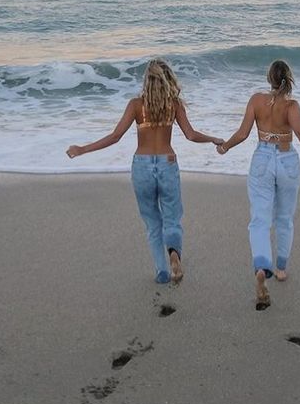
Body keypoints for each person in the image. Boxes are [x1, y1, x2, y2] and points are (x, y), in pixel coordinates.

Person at [67, 58, 222, 284]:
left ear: (146, 81)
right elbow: (191, 134)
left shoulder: (136, 105)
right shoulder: (174, 104)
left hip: (141, 165)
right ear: (168, 79)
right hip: (168, 162)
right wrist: (214, 139)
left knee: (152, 221)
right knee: (172, 218)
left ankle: (161, 271)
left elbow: (115, 136)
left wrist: (82, 149)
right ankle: (174, 255)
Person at [217, 59, 300, 310]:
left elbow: (243, 133)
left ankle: (261, 265)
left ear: (269, 78)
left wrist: (224, 147)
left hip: (262, 159)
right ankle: (280, 269)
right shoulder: (292, 106)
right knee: (285, 218)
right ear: (288, 79)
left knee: (259, 219)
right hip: (287, 159)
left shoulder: (256, 100)